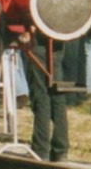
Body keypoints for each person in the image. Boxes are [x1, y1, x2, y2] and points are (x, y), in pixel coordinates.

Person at [22, 31, 70, 162]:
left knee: (41, 97)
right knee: (57, 99)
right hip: (58, 43)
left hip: (38, 44)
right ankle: (61, 150)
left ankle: (40, 149)